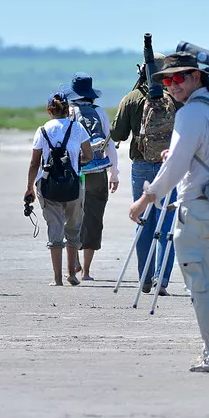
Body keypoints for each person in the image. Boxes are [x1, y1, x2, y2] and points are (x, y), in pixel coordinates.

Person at [129, 52, 209, 373]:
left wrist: (144, 199)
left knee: (201, 285)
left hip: (200, 209)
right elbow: (206, 153)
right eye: (167, 80)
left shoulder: (191, 113)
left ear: (196, 77)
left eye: (179, 78)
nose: (172, 85)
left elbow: (176, 168)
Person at [111, 54, 180, 295]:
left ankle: (145, 278)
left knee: (142, 221)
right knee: (166, 222)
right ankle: (162, 279)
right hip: (168, 165)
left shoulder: (132, 98)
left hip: (140, 165)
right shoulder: (175, 97)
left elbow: (118, 134)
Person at [26, 92, 93, 286]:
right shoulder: (77, 128)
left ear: (49, 111)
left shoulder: (42, 130)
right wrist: (74, 163)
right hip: (73, 184)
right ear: (67, 110)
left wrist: (29, 188)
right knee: (73, 228)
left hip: (47, 184)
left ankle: (57, 279)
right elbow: (88, 155)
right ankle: (71, 273)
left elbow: (34, 162)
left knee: (55, 228)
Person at [63, 73, 120, 281]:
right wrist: (114, 173)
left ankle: (74, 261)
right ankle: (86, 271)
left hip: (76, 172)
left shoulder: (69, 112)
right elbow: (109, 143)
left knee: (72, 216)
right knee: (94, 219)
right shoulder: (100, 112)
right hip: (98, 171)